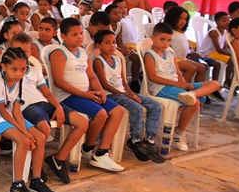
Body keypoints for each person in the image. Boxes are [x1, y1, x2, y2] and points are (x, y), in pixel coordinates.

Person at [6, 33, 90, 182]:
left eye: (25, 51)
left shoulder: (35, 71)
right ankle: (34, 165)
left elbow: (46, 92)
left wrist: (57, 106)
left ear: (31, 52)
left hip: (44, 102)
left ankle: (58, 159)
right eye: (17, 50)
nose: (21, 54)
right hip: (27, 107)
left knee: (82, 122)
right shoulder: (8, 71)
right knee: (44, 128)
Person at [49, 18, 127, 171]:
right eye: (74, 34)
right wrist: (86, 95)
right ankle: (89, 147)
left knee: (118, 111)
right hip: (67, 96)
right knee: (101, 113)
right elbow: (58, 81)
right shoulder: (59, 52)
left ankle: (101, 152)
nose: (79, 37)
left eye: (80, 34)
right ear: (63, 36)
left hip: (85, 94)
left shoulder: (83, 52)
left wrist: (99, 91)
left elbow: (91, 76)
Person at [0, 48, 56, 192]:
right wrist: (23, 133)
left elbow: (16, 109)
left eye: (23, 69)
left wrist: (25, 130)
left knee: (40, 137)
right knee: (23, 141)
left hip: (10, 114)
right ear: (4, 67)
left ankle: (36, 181)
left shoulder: (19, 81)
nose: (19, 73)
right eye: (14, 69)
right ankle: (17, 185)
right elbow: (2, 112)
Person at [91, 30, 166, 163]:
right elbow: (104, 84)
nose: (112, 45)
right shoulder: (98, 61)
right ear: (99, 46)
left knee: (156, 105)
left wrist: (131, 93)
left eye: (114, 42)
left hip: (123, 92)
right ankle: (135, 139)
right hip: (112, 95)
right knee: (136, 108)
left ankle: (149, 139)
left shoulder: (118, 59)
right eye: (107, 43)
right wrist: (127, 96)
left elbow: (124, 82)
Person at [144, 23, 221, 151]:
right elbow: (152, 77)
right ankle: (179, 133)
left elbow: (178, 73)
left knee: (215, 84)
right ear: (153, 38)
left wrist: (185, 84)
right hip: (161, 88)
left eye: (168, 40)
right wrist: (177, 84)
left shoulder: (170, 52)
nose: (165, 43)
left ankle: (192, 94)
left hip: (176, 85)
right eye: (162, 39)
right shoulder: (150, 55)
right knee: (194, 104)